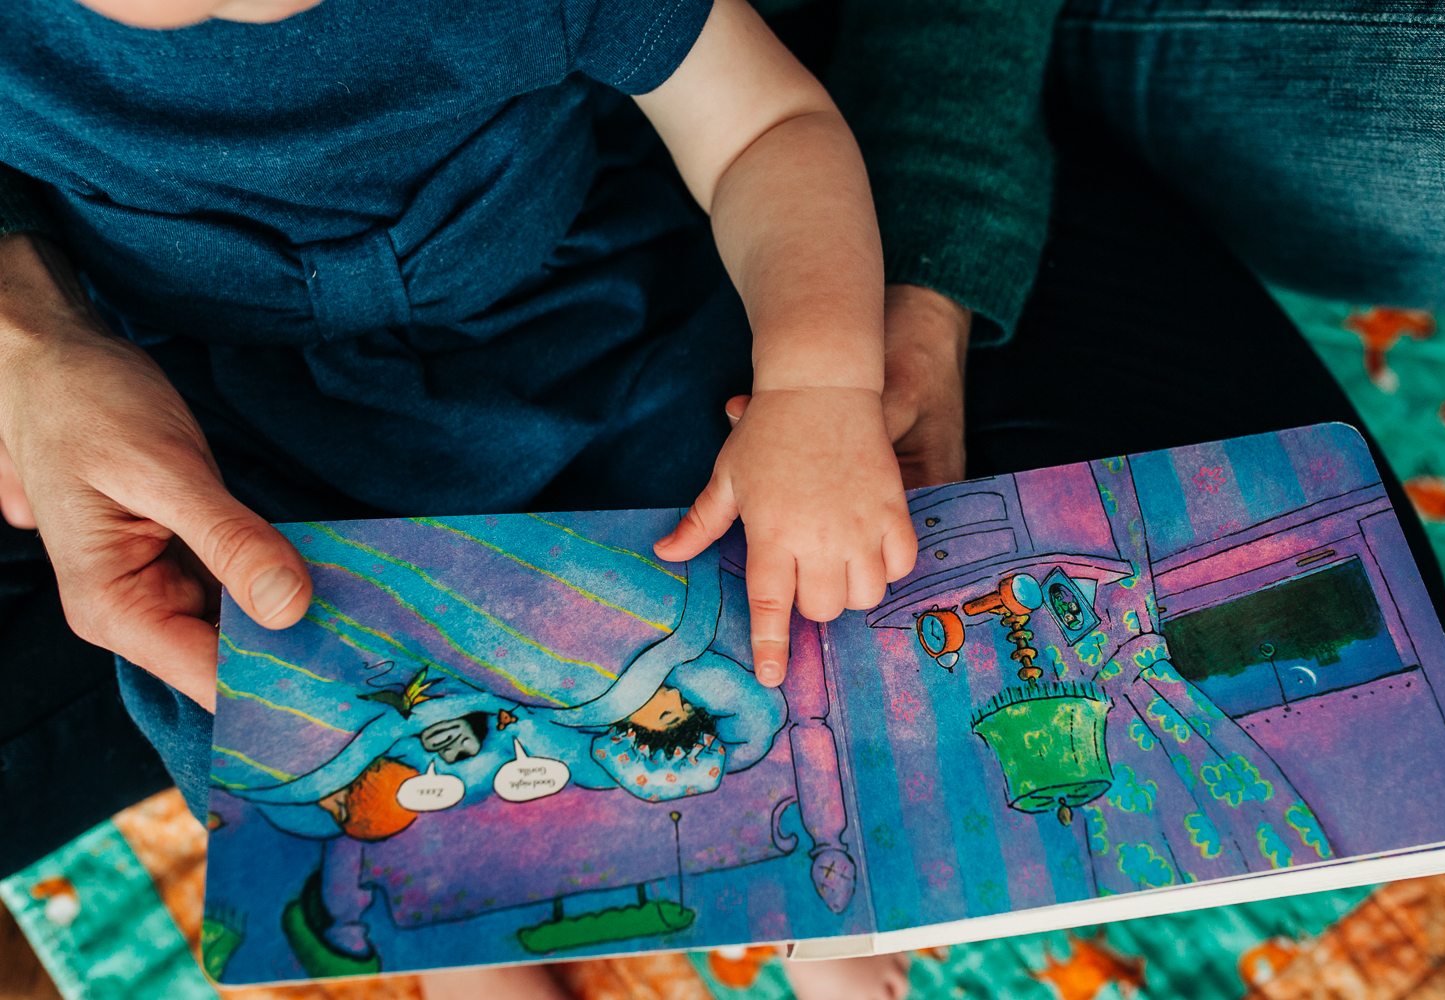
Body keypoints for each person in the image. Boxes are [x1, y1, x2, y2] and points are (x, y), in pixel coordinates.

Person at [0, 0, 918, 995]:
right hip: (219, 408)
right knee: (252, 687)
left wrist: (817, 387)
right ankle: (454, 922)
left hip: (583, 320)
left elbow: (764, 128)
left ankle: (817, 886)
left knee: (768, 570)